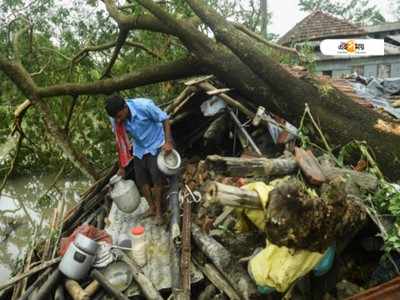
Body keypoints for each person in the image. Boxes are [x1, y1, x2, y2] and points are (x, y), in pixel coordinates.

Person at [105, 95, 173, 224]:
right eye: (116, 118)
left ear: (125, 108)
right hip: (139, 148)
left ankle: (159, 212)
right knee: (141, 180)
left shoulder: (144, 106)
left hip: (155, 143)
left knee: (156, 178)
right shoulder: (115, 118)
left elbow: (165, 119)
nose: (118, 121)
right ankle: (151, 207)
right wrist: (121, 166)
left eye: (119, 117)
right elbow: (119, 142)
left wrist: (168, 142)